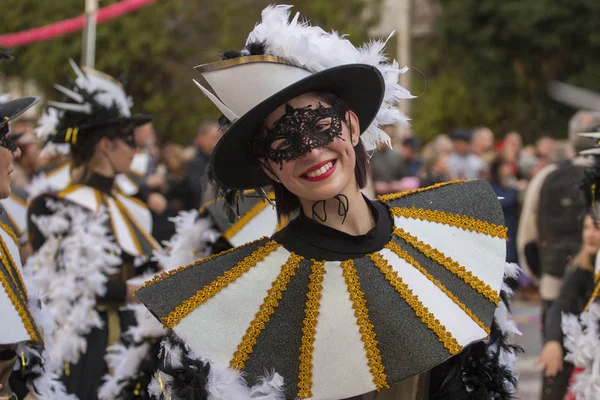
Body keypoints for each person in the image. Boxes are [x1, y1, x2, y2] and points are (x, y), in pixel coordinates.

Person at [137, 6, 518, 400]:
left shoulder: (450, 241)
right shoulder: (236, 304)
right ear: (268, 166)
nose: (311, 151)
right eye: (284, 144)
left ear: (352, 126)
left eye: (321, 126)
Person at [27, 62, 162, 400]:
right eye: (129, 140)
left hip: (134, 343)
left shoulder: (134, 206)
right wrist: (132, 291)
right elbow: (66, 285)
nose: (136, 149)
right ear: (105, 144)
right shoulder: (53, 206)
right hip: (86, 347)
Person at [537, 212, 599, 400]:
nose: (589, 234)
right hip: (588, 355)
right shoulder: (581, 267)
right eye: (586, 227)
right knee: (555, 362)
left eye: (597, 228)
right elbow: (562, 303)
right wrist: (553, 340)